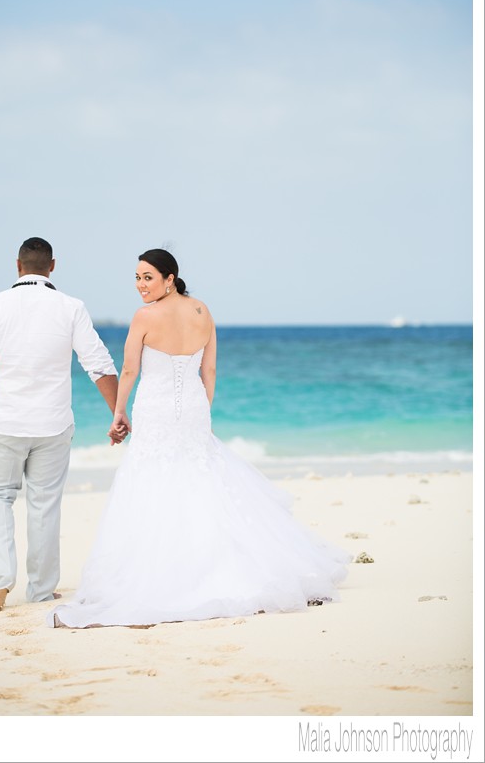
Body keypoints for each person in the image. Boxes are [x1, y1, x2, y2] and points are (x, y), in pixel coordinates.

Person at [50, 248, 350, 630]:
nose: (140, 285)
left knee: (155, 482)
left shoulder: (145, 317)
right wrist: (202, 411)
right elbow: (209, 370)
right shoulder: (202, 311)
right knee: (202, 479)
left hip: (156, 408)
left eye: (148, 277)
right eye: (138, 278)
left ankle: (169, 569)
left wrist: (119, 412)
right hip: (193, 407)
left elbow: (129, 369)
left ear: (169, 278)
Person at [0, 236, 126, 612]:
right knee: (45, 504)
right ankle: (40, 590)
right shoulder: (71, 307)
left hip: (5, 423)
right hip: (53, 424)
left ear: (17, 266)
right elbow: (98, 364)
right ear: (52, 266)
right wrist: (118, 413)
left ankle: (1, 580)